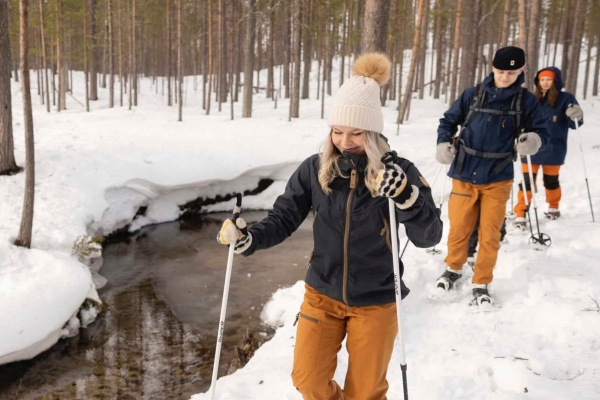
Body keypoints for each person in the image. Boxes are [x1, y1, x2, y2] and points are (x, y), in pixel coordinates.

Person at [216, 53, 442, 400]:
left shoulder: (399, 173)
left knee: (365, 392)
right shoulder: (314, 169)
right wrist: (249, 238)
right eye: (337, 131)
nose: (345, 141)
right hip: (322, 293)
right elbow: (285, 216)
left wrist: (406, 197)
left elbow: (429, 236)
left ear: (374, 132)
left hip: (376, 299)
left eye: (356, 132)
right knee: (308, 381)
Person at [435, 46, 549, 306]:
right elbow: (448, 121)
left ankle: (481, 281)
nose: (505, 76)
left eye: (511, 72)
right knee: (459, 227)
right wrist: (443, 144)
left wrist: (532, 140)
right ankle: (453, 268)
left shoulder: (525, 100)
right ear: (492, 69)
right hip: (464, 171)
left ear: (520, 70)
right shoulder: (472, 94)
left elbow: (540, 130)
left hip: (498, 176)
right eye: (500, 71)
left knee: (490, 233)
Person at [513, 67, 584, 228]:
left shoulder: (566, 98)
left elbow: (575, 124)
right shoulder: (531, 98)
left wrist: (576, 115)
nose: (545, 82)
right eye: (542, 79)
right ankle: (520, 213)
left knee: (551, 181)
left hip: (554, 147)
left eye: (548, 79)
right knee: (526, 182)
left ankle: (553, 207)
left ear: (555, 81)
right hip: (530, 146)